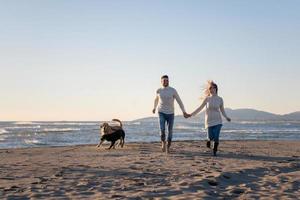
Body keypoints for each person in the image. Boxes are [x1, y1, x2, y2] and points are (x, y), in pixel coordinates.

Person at [186, 80, 231, 156]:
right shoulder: (207, 99)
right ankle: (209, 141)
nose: (212, 89)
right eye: (210, 88)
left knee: (216, 137)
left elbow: (222, 110)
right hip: (209, 121)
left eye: (213, 88)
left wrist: (226, 117)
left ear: (216, 89)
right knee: (210, 137)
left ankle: (215, 150)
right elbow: (200, 108)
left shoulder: (220, 99)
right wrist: (191, 114)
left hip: (218, 121)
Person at [153, 75, 188, 153]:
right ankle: (163, 143)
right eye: (164, 80)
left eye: (167, 80)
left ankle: (168, 146)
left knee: (170, 131)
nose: (166, 82)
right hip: (161, 112)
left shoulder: (173, 90)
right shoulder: (159, 90)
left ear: (168, 81)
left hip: (171, 113)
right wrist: (154, 108)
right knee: (162, 129)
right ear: (161, 81)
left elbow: (179, 101)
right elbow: (156, 100)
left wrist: (183, 111)